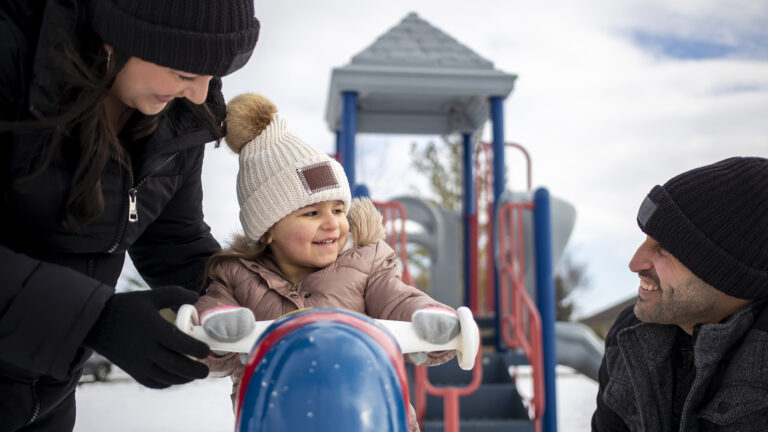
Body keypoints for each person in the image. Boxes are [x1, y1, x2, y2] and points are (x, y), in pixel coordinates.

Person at [0, 0, 259, 430]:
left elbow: (175, 239)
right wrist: (94, 318)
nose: (200, 94)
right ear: (125, 33)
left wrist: (258, 303)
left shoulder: (180, 110)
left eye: (212, 76)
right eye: (185, 73)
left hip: (47, 397)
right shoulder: (11, 57)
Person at [193, 93, 459, 432]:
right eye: (312, 213)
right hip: (278, 420)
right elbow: (216, 325)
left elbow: (396, 298)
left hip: (370, 418)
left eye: (338, 209)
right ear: (268, 229)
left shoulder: (367, 263)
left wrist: (426, 322)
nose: (332, 223)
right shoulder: (235, 277)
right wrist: (217, 329)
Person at [591, 156, 768, 431]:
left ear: (729, 272)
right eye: (646, 239)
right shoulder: (628, 336)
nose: (634, 263)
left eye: (665, 248)